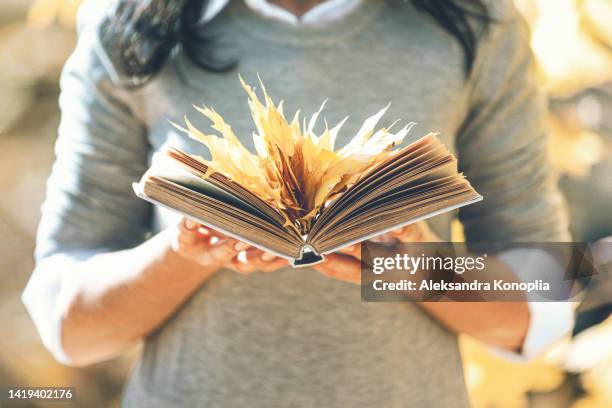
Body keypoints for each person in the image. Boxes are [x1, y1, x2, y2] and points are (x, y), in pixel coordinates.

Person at [22, 0, 573, 406]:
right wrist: (185, 253)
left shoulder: (478, 26)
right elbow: (71, 325)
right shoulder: (128, 23)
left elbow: (545, 300)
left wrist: (415, 269)